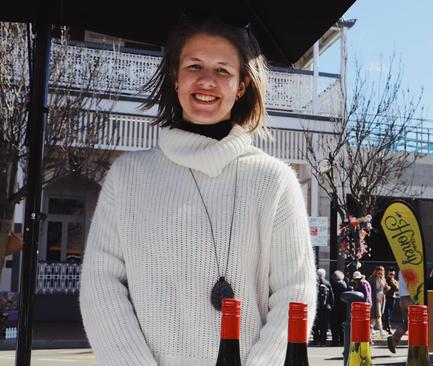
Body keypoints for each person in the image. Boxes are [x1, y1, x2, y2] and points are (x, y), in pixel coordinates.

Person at [79, 15, 316, 365]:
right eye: (194, 66)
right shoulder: (128, 176)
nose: (207, 81)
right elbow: (101, 284)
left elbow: (296, 293)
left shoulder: (275, 181)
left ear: (241, 85)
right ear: (176, 76)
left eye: (222, 70)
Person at [387, 271, 413, 353]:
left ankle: (394, 339)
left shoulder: (401, 270)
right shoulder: (411, 267)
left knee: (407, 322)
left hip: (402, 298)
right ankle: (395, 338)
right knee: (413, 322)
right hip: (409, 297)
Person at [313, 268, 334, 346]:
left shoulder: (315, 283)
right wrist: (330, 305)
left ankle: (316, 340)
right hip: (326, 307)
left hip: (316, 307)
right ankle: (323, 341)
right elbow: (332, 296)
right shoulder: (327, 283)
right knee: (324, 324)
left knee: (316, 324)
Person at [330, 270, 350, 346]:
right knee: (342, 325)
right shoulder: (344, 285)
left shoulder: (331, 285)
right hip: (343, 307)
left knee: (334, 326)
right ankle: (342, 340)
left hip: (334, 307)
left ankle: (335, 341)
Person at [368, 266, 387, 338]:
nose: (380, 274)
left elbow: (384, 287)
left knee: (377, 316)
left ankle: (371, 329)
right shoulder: (372, 279)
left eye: (381, 273)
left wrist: (387, 288)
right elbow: (370, 289)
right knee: (377, 316)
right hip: (374, 299)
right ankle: (380, 331)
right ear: (376, 272)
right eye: (378, 273)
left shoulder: (383, 279)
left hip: (381, 299)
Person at [382, 267, 399, 334]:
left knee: (389, 312)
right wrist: (390, 280)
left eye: (393, 274)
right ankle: (388, 327)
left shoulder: (394, 281)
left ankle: (385, 326)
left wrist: (392, 281)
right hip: (387, 297)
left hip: (392, 298)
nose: (392, 275)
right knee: (387, 313)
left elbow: (396, 289)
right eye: (390, 274)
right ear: (388, 274)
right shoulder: (386, 280)